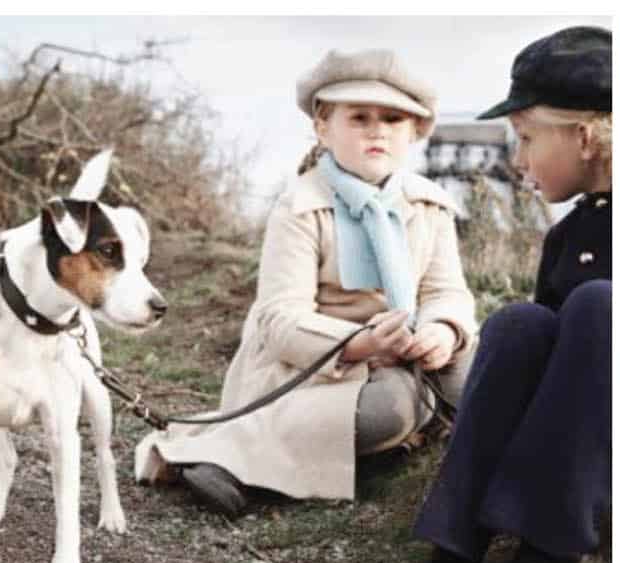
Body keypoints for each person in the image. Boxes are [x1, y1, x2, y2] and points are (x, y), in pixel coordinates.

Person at [136, 49, 475, 515]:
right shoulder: (300, 207)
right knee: (390, 409)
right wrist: (361, 344)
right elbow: (280, 320)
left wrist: (441, 330)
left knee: (479, 369)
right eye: (359, 117)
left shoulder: (429, 205)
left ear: (415, 131)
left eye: (393, 119)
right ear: (323, 126)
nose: (377, 129)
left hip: (405, 349)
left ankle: (435, 440)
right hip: (313, 365)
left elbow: (445, 291)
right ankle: (232, 456)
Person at [379, 26, 615, 563]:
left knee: (598, 306)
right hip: (568, 436)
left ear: (586, 136)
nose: (518, 161)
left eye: (527, 139)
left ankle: (550, 556)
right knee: (518, 324)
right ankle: (456, 548)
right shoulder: (569, 236)